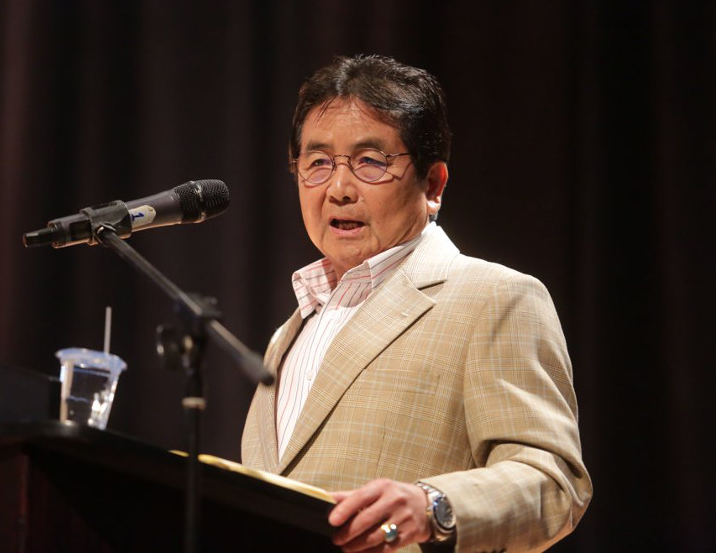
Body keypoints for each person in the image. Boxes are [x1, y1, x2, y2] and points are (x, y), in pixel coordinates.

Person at [241, 55, 592, 552]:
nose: (339, 189)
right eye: (318, 163)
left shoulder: (493, 297)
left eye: (371, 162)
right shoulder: (287, 334)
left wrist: (434, 506)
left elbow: (553, 482)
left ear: (432, 185)